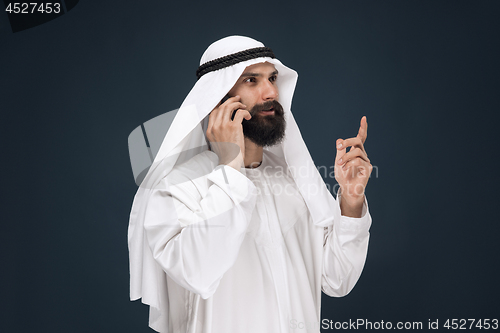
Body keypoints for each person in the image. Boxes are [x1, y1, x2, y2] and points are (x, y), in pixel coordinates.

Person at [128, 36, 373, 333]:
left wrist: (350, 200)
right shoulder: (177, 187)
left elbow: (336, 280)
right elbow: (198, 270)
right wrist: (230, 166)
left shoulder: (292, 181)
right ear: (219, 99)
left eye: (272, 78)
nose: (271, 91)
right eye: (251, 80)